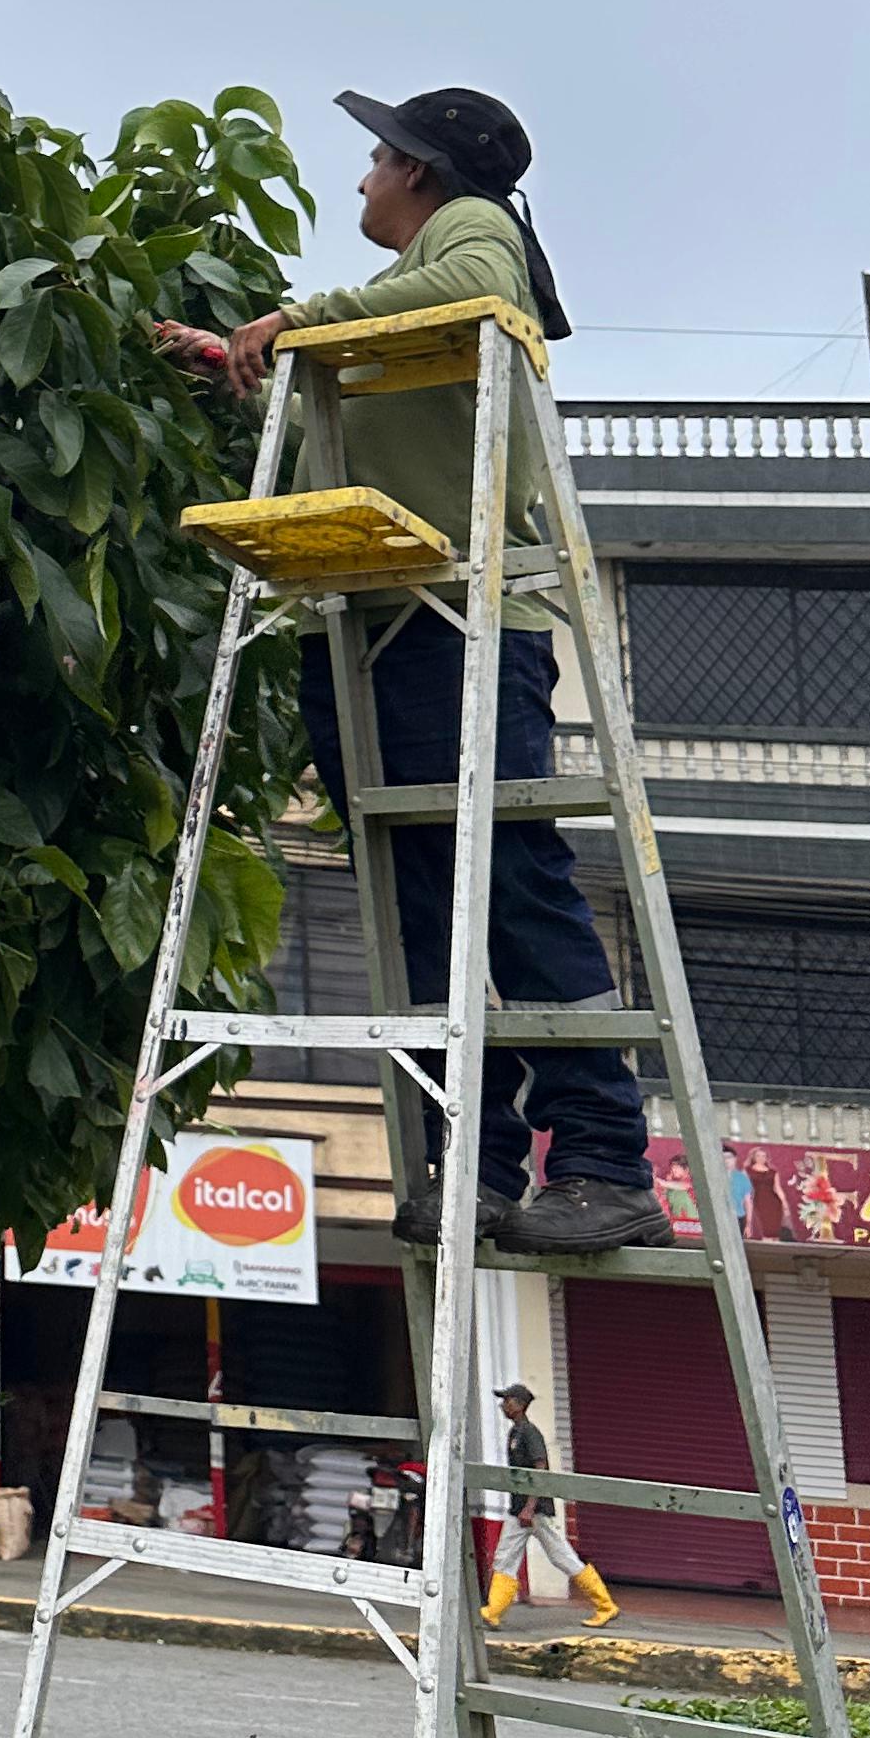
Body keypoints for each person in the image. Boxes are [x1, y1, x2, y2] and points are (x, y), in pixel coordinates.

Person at [160, 85, 674, 1259]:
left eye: (377, 158)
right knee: (424, 909)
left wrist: (295, 318)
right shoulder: (399, 299)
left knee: (509, 884)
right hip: (376, 627)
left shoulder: (470, 232)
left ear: (422, 172)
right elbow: (348, 439)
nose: (361, 178)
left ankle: (602, 1157)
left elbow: (482, 286)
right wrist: (237, 361)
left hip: (458, 626)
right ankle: (476, 1164)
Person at [481, 1380, 617, 1625]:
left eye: (507, 1401)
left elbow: (540, 1468)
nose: (503, 1405)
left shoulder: (530, 1433)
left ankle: (605, 1606)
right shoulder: (516, 1432)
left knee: (562, 1557)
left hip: (535, 1511)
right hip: (520, 1509)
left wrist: (530, 1507)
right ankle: (493, 1612)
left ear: (519, 1405)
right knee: (505, 1557)